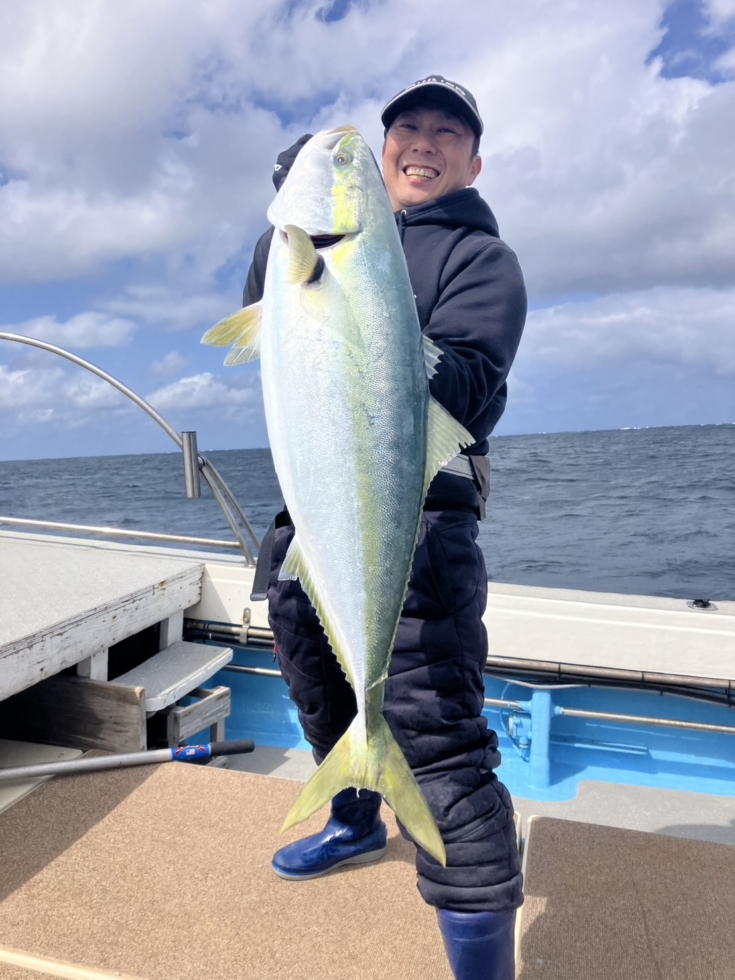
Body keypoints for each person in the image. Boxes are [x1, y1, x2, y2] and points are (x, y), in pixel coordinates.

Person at [242, 75, 526, 980]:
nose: (422, 142)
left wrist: (367, 308)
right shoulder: (309, 244)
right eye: (406, 127)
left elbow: (467, 386)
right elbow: (269, 312)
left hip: (420, 530)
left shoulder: (482, 260)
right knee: (321, 693)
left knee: (435, 745)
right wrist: (295, 227)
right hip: (310, 521)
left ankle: (481, 954)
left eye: (448, 133)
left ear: (471, 164)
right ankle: (355, 817)